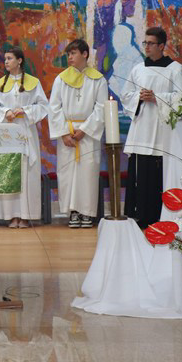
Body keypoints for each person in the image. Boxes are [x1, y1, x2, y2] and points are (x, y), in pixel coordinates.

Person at [119, 28, 182, 229]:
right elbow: (126, 95)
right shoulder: (138, 69)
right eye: (145, 43)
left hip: (164, 131)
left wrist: (156, 97)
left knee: (160, 174)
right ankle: (140, 215)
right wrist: (139, 97)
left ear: (161, 46)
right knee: (141, 173)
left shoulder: (176, 69)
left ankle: (161, 215)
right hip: (142, 129)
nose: (147, 47)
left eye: (151, 43)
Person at [48, 39, 107, 228]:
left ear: (85, 54)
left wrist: (85, 130)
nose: (70, 57)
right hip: (68, 133)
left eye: (73, 53)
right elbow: (54, 107)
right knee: (67, 174)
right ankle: (72, 211)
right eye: (68, 54)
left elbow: (101, 108)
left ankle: (86, 212)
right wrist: (64, 133)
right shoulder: (61, 79)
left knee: (87, 172)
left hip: (87, 133)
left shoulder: (98, 80)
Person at [0, 48, 48, 228]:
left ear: (19, 60)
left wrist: (25, 111)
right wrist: (5, 112)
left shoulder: (33, 82)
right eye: (5, 58)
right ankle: (11, 215)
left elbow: (43, 106)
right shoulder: (0, 84)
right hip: (7, 132)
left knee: (27, 172)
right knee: (10, 171)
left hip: (25, 130)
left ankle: (26, 215)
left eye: (10, 58)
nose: (6, 62)